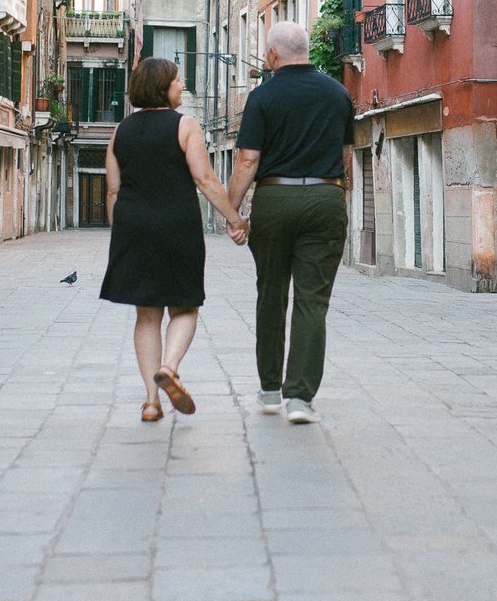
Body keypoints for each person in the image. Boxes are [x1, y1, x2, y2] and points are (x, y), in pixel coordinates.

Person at [100, 57, 248, 423]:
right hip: (176, 224)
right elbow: (205, 179)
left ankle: (151, 402)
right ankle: (169, 366)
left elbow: (113, 191)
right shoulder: (186, 126)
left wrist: (119, 235)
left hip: (133, 227)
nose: (182, 86)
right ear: (162, 88)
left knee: (146, 314)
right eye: (178, 81)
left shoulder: (121, 131)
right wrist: (235, 219)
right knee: (184, 306)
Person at [226, 22, 354, 424]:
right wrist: (334, 194)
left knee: (272, 293)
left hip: (275, 198)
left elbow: (248, 161)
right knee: (312, 300)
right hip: (325, 195)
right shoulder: (339, 94)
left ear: (272, 55)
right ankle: (299, 398)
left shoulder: (263, 97)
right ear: (306, 51)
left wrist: (234, 213)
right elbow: (346, 156)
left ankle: (269, 390)